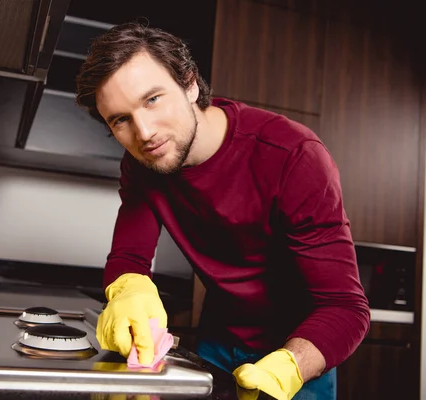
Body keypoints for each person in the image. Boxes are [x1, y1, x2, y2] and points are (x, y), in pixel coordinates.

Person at [75, 21, 370, 400]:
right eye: (121, 119)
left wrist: (288, 368)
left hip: (299, 352)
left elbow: (345, 307)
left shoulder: (293, 155)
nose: (144, 132)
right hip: (216, 340)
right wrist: (128, 290)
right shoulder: (143, 163)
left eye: (152, 99)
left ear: (190, 83)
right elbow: (129, 256)